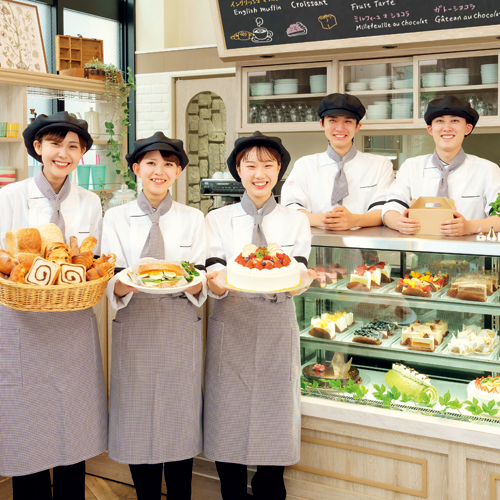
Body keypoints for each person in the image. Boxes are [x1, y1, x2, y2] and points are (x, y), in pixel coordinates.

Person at [0, 112, 107, 500]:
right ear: (37, 148)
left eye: (73, 147)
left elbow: (90, 262)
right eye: (55, 144)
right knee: (28, 419)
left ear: (81, 154)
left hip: (72, 320)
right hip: (21, 321)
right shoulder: (10, 196)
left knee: (71, 415)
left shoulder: (90, 202)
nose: (63, 153)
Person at [204, 131, 312, 500]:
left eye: (268, 164)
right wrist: (214, 283)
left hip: (277, 324)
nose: (259, 173)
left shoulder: (296, 221)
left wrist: (302, 281)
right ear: (238, 169)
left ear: (279, 170)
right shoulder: (217, 218)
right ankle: (232, 490)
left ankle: (269, 487)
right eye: (250, 164)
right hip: (230, 324)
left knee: (275, 411)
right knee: (228, 411)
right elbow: (215, 271)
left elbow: (296, 271)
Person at [101, 132, 207, 500]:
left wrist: (188, 280)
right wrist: (129, 279)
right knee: (136, 417)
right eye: (150, 164)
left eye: (168, 165)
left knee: (178, 419)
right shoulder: (115, 217)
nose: (158, 171)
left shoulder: (194, 218)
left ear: (177, 172)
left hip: (180, 327)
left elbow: (200, 280)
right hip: (134, 326)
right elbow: (110, 279)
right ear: (136, 170)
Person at [383, 96, 500, 236]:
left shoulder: (487, 170)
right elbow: (390, 209)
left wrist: (469, 226)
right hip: (419, 252)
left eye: (455, 121)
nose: (447, 128)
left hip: (471, 254)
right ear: (430, 129)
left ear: (468, 128)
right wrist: (399, 223)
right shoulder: (411, 167)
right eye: (440, 121)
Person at [281, 93, 394, 230]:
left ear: (357, 126)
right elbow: (290, 209)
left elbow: (386, 210)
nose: (340, 128)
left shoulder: (380, 164)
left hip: (366, 248)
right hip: (315, 246)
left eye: (348, 121)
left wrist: (354, 220)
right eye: (333, 120)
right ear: (322, 124)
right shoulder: (305, 165)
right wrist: (325, 219)